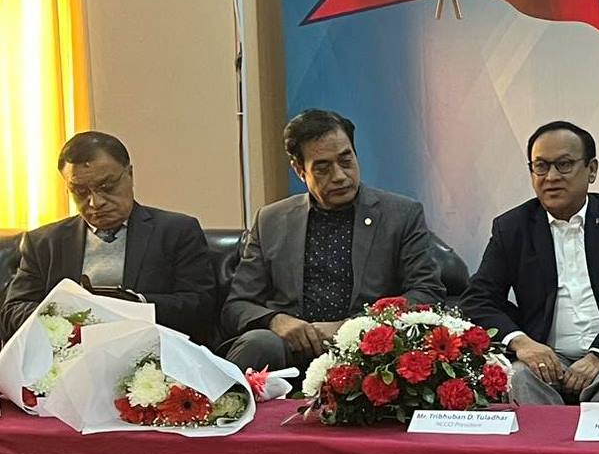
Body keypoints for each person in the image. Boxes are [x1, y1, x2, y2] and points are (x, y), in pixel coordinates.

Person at [218, 109, 444, 370]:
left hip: (367, 349)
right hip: (289, 350)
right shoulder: (271, 220)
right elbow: (237, 305)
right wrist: (275, 320)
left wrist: (351, 327)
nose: (339, 176)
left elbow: (426, 293)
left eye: (346, 161)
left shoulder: (401, 215)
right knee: (261, 343)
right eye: (323, 168)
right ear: (300, 170)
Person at [461, 121, 599, 405]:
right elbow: (477, 299)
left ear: (591, 169)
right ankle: (547, 438)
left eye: (564, 165)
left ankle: (595, 437)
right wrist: (523, 343)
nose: (551, 177)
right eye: (541, 166)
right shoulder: (512, 228)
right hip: (548, 354)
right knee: (518, 376)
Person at [1, 131, 217, 342]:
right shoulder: (44, 242)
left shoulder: (176, 231)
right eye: (80, 191)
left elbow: (201, 306)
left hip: (150, 351)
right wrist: (70, 315)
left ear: (130, 174)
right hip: (67, 353)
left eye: (106, 187)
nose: (96, 202)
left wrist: (134, 306)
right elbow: (13, 311)